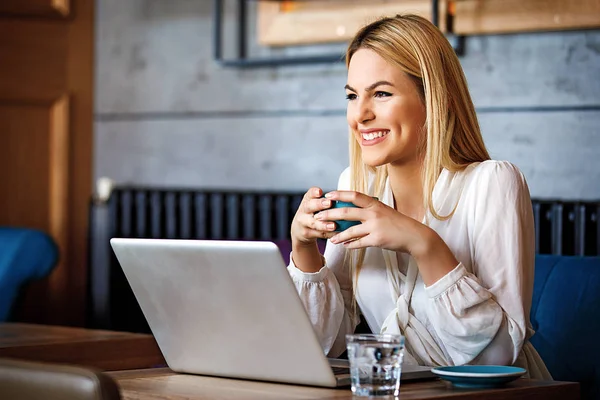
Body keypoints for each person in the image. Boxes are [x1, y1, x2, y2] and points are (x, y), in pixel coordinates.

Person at [287, 14, 551, 379]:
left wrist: (423, 243)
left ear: (433, 99)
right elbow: (326, 346)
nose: (359, 114)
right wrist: (303, 251)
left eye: (381, 93)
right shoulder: (357, 186)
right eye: (352, 95)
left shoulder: (493, 183)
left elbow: (498, 355)